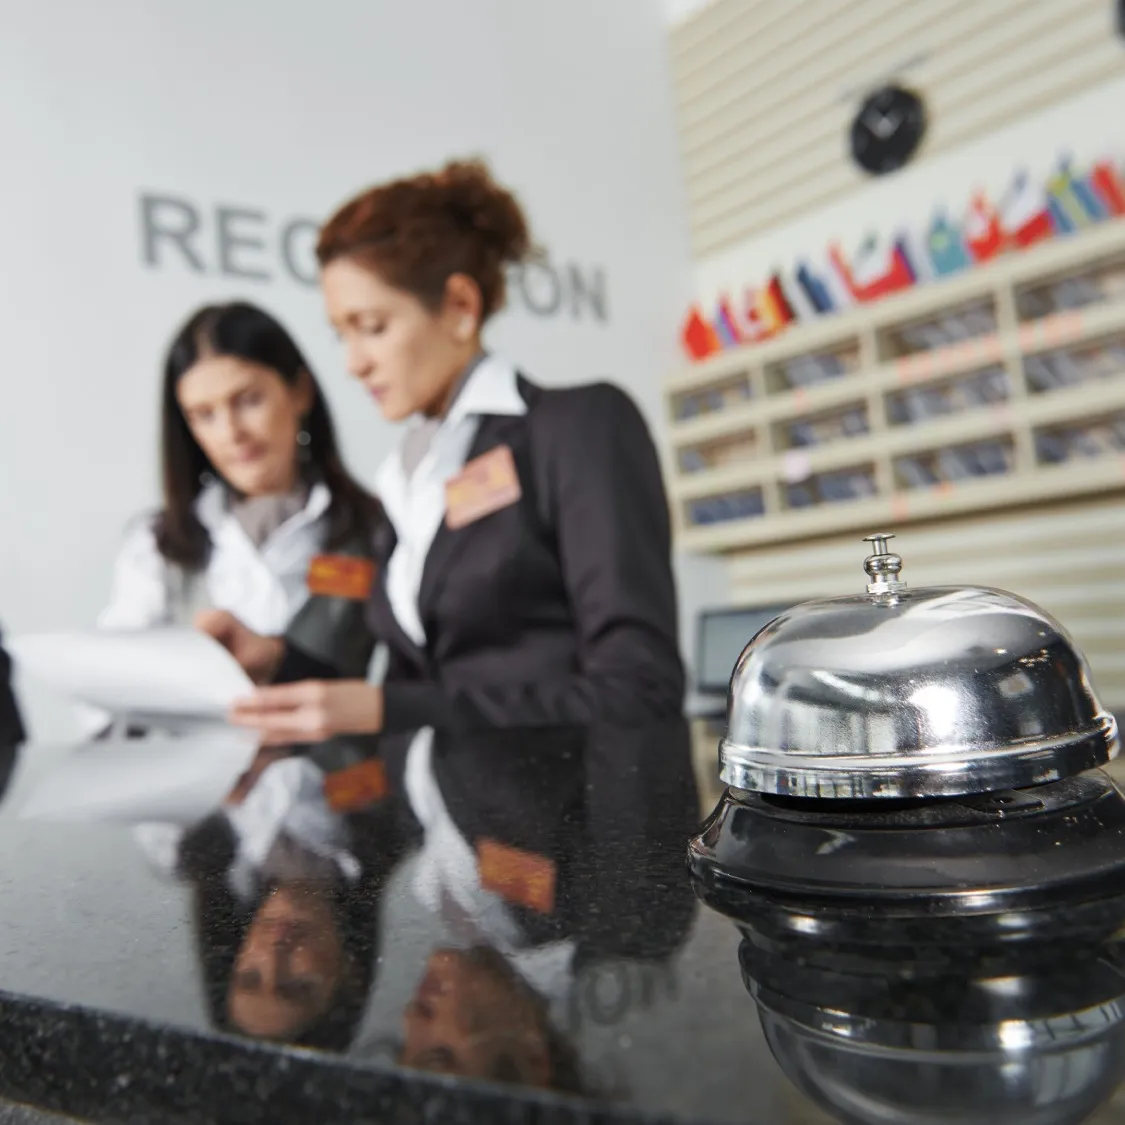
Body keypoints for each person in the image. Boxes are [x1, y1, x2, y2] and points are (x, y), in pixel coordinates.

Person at [200, 158, 684, 744]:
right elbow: (420, 681)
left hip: (567, 827)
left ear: (459, 307)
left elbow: (639, 691)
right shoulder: (406, 479)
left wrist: (387, 711)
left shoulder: (577, 428)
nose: (353, 363)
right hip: (449, 828)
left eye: (372, 326)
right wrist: (274, 660)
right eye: (342, 334)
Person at [99, 301, 381, 679]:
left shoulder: (374, 530)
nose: (231, 433)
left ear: (299, 392)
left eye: (248, 401)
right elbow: (114, 680)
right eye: (204, 415)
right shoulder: (158, 543)